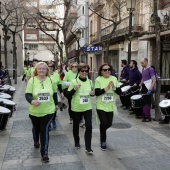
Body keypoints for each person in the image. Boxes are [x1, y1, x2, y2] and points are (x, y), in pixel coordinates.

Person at [25, 62, 58, 163]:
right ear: (36, 70)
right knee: (36, 128)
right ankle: (35, 139)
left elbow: (55, 93)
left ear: (47, 70)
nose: (41, 70)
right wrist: (32, 101)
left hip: (48, 111)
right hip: (34, 111)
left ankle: (44, 152)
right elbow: (28, 94)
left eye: (44, 69)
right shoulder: (32, 80)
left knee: (44, 130)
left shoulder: (51, 80)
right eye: (39, 69)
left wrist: (56, 105)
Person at [67, 63, 94, 154]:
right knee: (76, 126)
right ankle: (77, 141)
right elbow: (68, 95)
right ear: (79, 71)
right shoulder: (74, 81)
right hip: (76, 108)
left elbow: (91, 93)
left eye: (86, 71)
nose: (84, 72)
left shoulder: (90, 82)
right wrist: (74, 89)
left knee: (89, 126)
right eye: (82, 71)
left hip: (87, 107)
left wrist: (92, 93)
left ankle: (88, 147)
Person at [95, 63, 121, 151]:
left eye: (108, 69)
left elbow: (120, 92)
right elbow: (97, 92)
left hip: (110, 105)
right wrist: (106, 88)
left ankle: (102, 131)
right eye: (105, 70)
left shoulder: (114, 78)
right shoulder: (98, 79)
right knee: (103, 122)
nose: (107, 71)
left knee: (109, 123)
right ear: (101, 71)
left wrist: (113, 87)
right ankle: (103, 141)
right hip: (100, 105)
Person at [140, 58, 156, 122]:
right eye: (141, 63)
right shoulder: (143, 69)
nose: (141, 64)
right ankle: (144, 115)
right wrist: (140, 84)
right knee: (143, 102)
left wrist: (150, 89)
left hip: (148, 87)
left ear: (146, 62)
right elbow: (143, 78)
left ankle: (148, 117)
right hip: (144, 87)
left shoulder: (151, 69)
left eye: (142, 63)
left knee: (147, 103)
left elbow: (154, 80)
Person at [48, 63, 64, 129]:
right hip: (47, 94)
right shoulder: (45, 75)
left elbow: (59, 84)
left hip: (54, 93)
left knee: (55, 108)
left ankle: (53, 120)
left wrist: (62, 92)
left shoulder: (56, 75)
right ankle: (48, 123)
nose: (50, 67)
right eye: (49, 66)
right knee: (48, 109)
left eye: (52, 66)